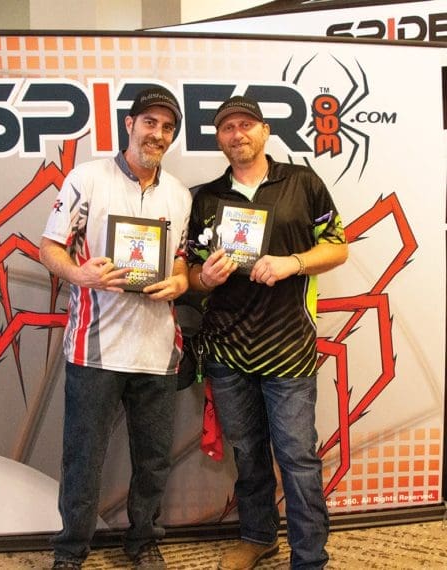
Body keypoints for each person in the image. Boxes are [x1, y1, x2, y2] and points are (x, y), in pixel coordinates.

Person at [187, 96, 348, 570]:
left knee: (298, 459)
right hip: (227, 349)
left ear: (264, 131)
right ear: (219, 138)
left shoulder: (302, 182)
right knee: (247, 453)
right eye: (227, 127)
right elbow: (191, 273)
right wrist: (205, 278)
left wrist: (292, 263)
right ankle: (259, 537)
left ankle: (310, 558)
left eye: (246, 124)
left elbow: (338, 246)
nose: (237, 134)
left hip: (289, 347)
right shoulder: (207, 198)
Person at [39, 86, 192, 570]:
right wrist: (80, 274)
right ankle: (70, 551)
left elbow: (181, 258)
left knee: (153, 460)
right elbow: (49, 247)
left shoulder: (180, 194)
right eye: (149, 122)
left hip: (157, 351)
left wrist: (180, 281)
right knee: (83, 459)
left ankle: (143, 541)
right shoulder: (87, 178)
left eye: (167, 127)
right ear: (129, 124)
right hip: (94, 350)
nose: (158, 134)